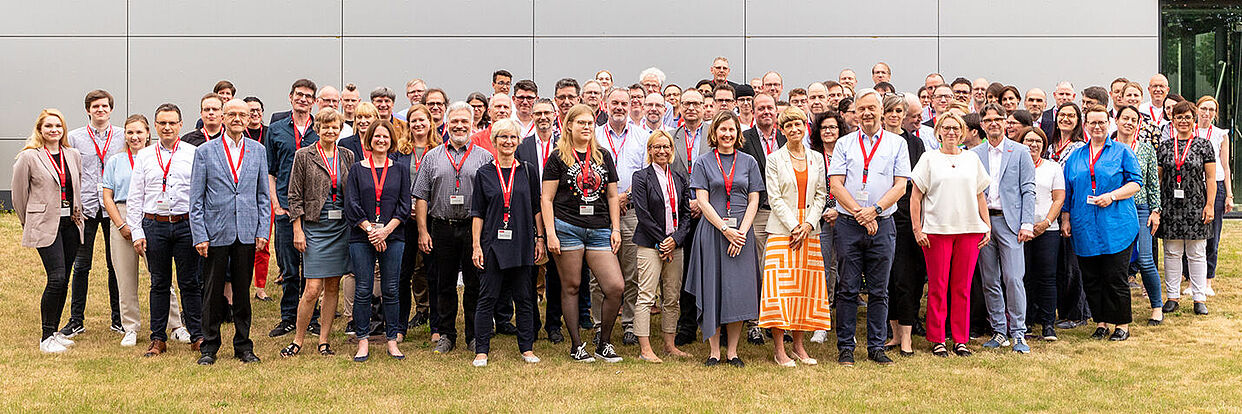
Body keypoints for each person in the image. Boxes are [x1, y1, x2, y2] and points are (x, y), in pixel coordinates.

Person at [828, 89, 909, 366]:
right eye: (861, 108)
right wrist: (860, 213)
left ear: (881, 111)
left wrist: (873, 211)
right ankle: (846, 348)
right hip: (849, 225)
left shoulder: (896, 144)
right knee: (848, 289)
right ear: (855, 113)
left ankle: (876, 346)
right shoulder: (844, 144)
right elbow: (836, 184)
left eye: (871, 108)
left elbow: (901, 185)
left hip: (883, 224)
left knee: (879, 290)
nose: (866, 113)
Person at [541, 104, 625, 363]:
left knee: (615, 286)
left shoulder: (603, 155)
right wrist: (550, 234)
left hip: (600, 229)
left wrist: (616, 228)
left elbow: (612, 195)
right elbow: (546, 198)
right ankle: (577, 345)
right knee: (572, 286)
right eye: (581, 123)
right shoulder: (557, 157)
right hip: (567, 228)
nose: (586, 127)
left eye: (590, 123)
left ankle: (604, 343)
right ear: (569, 126)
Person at [188, 99, 269, 365]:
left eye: (242, 115)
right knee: (211, 291)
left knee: (243, 292)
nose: (237, 119)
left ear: (249, 119)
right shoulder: (206, 151)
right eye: (231, 114)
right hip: (216, 232)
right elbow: (196, 198)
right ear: (222, 117)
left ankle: (244, 345)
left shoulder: (257, 150)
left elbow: (262, 195)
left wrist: (262, 230)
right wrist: (199, 234)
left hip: (246, 231)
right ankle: (209, 346)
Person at [102, 114, 190, 347]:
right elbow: (107, 196)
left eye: (139, 132)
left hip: (152, 217)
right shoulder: (116, 161)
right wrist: (122, 224)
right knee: (125, 277)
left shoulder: (155, 156)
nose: (134, 136)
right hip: (121, 216)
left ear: (148, 133)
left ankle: (176, 325)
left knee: (160, 277)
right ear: (125, 135)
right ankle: (130, 327)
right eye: (130, 132)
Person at [414, 102, 494, 354]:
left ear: (472, 124)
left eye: (464, 121)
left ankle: (473, 334)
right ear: (447, 124)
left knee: (474, 284)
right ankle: (446, 334)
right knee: (443, 284)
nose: (459, 126)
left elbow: (492, 198)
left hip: (473, 229)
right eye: (454, 122)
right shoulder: (432, 157)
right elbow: (421, 197)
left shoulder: (485, 157)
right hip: (442, 228)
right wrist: (423, 231)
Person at [685, 111, 764, 368]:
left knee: (737, 292)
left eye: (731, 130)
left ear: (737, 133)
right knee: (713, 288)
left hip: (742, 233)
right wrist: (724, 229)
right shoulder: (703, 162)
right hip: (713, 232)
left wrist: (740, 232)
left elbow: (754, 199)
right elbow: (702, 201)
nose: (727, 134)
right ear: (714, 133)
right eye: (722, 130)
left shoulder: (749, 161)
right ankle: (714, 351)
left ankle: (733, 352)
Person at [909, 113, 991, 357]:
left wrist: (986, 225)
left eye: (956, 128)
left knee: (962, 288)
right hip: (936, 231)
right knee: (938, 286)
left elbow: (979, 195)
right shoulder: (928, 158)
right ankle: (937, 339)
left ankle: (960, 339)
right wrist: (917, 228)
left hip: (968, 230)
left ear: (963, 131)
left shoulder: (972, 159)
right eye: (946, 128)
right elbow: (916, 197)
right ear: (939, 131)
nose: (951, 132)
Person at [127, 103, 205, 357]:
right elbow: (135, 196)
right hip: (154, 225)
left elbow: (201, 194)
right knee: (159, 283)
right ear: (156, 126)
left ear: (181, 125)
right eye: (162, 123)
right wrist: (137, 232)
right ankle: (158, 339)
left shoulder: (194, 153)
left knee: (190, 283)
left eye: (172, 122)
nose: (167, 127)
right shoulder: (145, 156)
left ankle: (197, 335)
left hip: (185, 226)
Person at [1062, 104, 1143, 341]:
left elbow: (1136, 183)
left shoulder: (1122, 152)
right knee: (1092, 277)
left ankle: (1122, 325)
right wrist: (1066, 218)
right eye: (1092, 123)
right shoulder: (1075, 156)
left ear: (1109, 123)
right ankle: (1101, 322)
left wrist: (1112, 196)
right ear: (1085, 125)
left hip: (1116, 224)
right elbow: (1068, 190)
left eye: (1101, 122)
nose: (1097, 127)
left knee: (1115, 277)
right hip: (1084, 224)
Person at [756, 107, 829, 367]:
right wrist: (794, 225)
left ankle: (798, 345)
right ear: (782, 130)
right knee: (780, 290)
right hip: (782, 231)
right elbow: (773, 197)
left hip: (810, 231)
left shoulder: (817, 158)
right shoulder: (774, 159)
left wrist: (808, 224)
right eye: (789, 126)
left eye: (798, 124)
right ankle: (779, 349)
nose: (794, 129)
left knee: (804, 289)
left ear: (805, 127)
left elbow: (822, 194)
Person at [469, 119, 544, 367]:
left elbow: (536, 207)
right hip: (492, 243)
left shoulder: (529, 170)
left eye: (512, 137)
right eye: (503, 137)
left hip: (522, 242)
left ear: (518, 141)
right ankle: (481, 350)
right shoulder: (484, 173)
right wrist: (476, 246)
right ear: (495, 141)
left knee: (524, 297)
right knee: (487, 297)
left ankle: (527, 348)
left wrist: (540, 238)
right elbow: (478, 212)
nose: (508, 142)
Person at [281, 108, 354, 358]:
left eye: (335, 126)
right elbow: (294, 195)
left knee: (333, 286)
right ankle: (298, 340)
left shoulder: (347, 155)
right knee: (312, 288)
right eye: (326, 126)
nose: (331, 131)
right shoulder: (304, 155)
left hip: (340, 226)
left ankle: (324, 341)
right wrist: (297, 229)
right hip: (314, 225)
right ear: (317, 128)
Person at [13, 109, 85, 353]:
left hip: (70, 225)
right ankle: (45, 338)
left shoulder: (72, 154)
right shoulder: (29, 157)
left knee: (64, 280)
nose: (54, 130)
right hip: (45, 225)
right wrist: (30, 222)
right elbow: (19, 195)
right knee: (56, 278)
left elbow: (78, 187)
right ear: (40, 130)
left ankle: (55, 332)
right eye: (49, 126)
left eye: (58, 126)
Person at [345, 119, 412, 361]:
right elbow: (351, 204)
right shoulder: (356, 169)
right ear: (369, 140)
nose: (381, 140)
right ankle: (362, 341)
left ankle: (392, 340)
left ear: (391, 140)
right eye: (377, 137)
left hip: (393, 236)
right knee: (363, 290)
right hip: (362, 237)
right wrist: (371, 230)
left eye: (385, 136)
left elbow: (405, 206)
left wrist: (384, 232)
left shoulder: (401, 169)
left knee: (391, 290)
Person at [972, 103, 1036, 354]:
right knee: (989, 279)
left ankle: (1018, 332)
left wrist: (1027, 223)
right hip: (984, 222)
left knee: (1012, 278)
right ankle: (999, 331)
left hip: (1011, 223)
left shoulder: (1020, 151)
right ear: (982, 124)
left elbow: (1028, 189)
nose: (994, 123)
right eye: (988, 120)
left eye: (999, 119)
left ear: (1006, 122)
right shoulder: (974, 154)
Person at [62, 90, 125, 338]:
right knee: (82, 265)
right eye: (95, 106)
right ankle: (76, 320)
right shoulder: (75, 137)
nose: (100, 110)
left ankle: (119, 319)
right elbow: (68, 172)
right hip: (85, 208)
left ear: (111, 109)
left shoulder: (122, 135)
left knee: (115, 265)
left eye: (104, 106)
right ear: (88, 110)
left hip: (114, 207)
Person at [630, 130, 694, 363]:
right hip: (650, 245)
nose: (662, 151)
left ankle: (669, 344)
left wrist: (675, 239)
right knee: (646, 296)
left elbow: (686, 214)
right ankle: (645, 347)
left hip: (675, 246)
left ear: (671, 150)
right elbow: (643, 214)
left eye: (666, 147)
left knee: (672, 297)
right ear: (649, 150)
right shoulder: (640, 177)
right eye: (657, 147)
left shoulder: (678, 178)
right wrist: (662, 241)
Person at [591, 88, 648, 346]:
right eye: (615, 102)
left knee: (631, 271)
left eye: (624, 103)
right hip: (600, 213)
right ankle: (599, 325)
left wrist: (625, 197)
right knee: (597, 275)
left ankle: (629, 325)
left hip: (631, 212)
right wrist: (610, 198)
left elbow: (647, 177)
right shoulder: (594, 136)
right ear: (606, 104)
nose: (620, 107)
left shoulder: (642, 137)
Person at [266, 79, 320, 338]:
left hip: (314, 211)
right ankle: (288, 317)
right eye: (299, 95)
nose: (303, 99)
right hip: (286, 209)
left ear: (314, 102)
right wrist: (276, 205)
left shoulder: (320, 130)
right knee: (289, 268)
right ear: (290, 97)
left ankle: (312, 318)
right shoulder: (276, 130)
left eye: (308, 96)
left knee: (314, 267)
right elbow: (271, 171)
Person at [1157, 101, 1216, 316]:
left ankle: (1199, 298)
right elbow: (1159, 178)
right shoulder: (1164, 147)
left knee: (1197, 252)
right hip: (1171, 205)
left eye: (1187, 117)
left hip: (1196, 204)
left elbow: (1210, 178)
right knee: (1172, 252)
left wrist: (1209, 205)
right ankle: (1172, 297)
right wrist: (1157, 207)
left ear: (1194, 120)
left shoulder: (1203, 145)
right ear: (1173, 121)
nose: (1183, 121)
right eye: (1179, 117)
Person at [738, 93, 785, 345]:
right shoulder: (745, 139)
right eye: (761, 108)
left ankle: (777, 321)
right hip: (757, 212)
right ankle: (755, 322)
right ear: (753, 111)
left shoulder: (785, 137)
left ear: (776, 110)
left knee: (778, 269)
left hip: (783, 215)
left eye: (770, 107)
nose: (766, 111)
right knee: (755, 268)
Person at [886, 94, 928, 356]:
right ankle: (892, 333)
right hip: (880, 214)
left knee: (906, 278)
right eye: (889, 110)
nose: (894, 115)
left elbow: (919, 183)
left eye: (899, 110)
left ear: (905, 114)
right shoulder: (876, 141)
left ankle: (907, 337)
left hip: (906, 215)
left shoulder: (916, 144)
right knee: (888, 279)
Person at [1114, 106, 1164, 324]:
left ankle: (1157, 307)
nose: (1129, 122)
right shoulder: (1109, 148)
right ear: (1116, 120)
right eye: (1125, 118)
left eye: (1134, 119)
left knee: (1145, 259)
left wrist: (1155, 210)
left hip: (1141, 208)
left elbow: (1154, 183)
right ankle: (1116, 311)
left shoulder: (1145, 150)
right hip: (1115, 209)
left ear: (1139, 124)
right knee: (1115, 262)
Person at [1018, 127, 1066, 341]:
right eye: (1029, 140)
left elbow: (1058, 198)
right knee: (1023, 276)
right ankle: (1025, 322)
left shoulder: (1053, 168)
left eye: (1038, 141)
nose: (1033, 144)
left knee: (1047, 277)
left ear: (1044, 145)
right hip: (1020, 230)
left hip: (1048, 229)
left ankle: (1048, 324)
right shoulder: (1015, 166)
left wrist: (1046, 222)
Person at [397, 104, 440, 336]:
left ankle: (436, 326)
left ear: (430, 123)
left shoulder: (439, 150)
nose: (418, 124)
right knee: (403, 274)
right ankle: (400, 327)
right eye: (414, 121)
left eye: (422, 120)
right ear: (408, 124)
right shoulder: (401, 152)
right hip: (404, 221)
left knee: (433, 273)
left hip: (432, 220)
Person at [807, 111, 846, 344]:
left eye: (833, 127)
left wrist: (839, 209)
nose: (829, 131)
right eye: (824, 128)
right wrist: (823, 212)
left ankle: (837, 315)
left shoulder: (847, 153)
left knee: (840, 268)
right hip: (819, 218)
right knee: (821, 268)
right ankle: (820, 321)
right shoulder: (812, 156)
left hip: (844, 216)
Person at [1196, 96, 1231, 295]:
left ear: (1215, 113)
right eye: (1203, 108)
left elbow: (1225, 167)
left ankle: (1208, 280)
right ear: (1197, 109)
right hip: (1193, 186)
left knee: (1212, 235)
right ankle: (1192, 279)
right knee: (1190, 234)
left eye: (1211, 109)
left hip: (1215, 186)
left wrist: (1229, 195)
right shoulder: (1187, 129)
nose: (1207, 113)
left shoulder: (1220, 134)